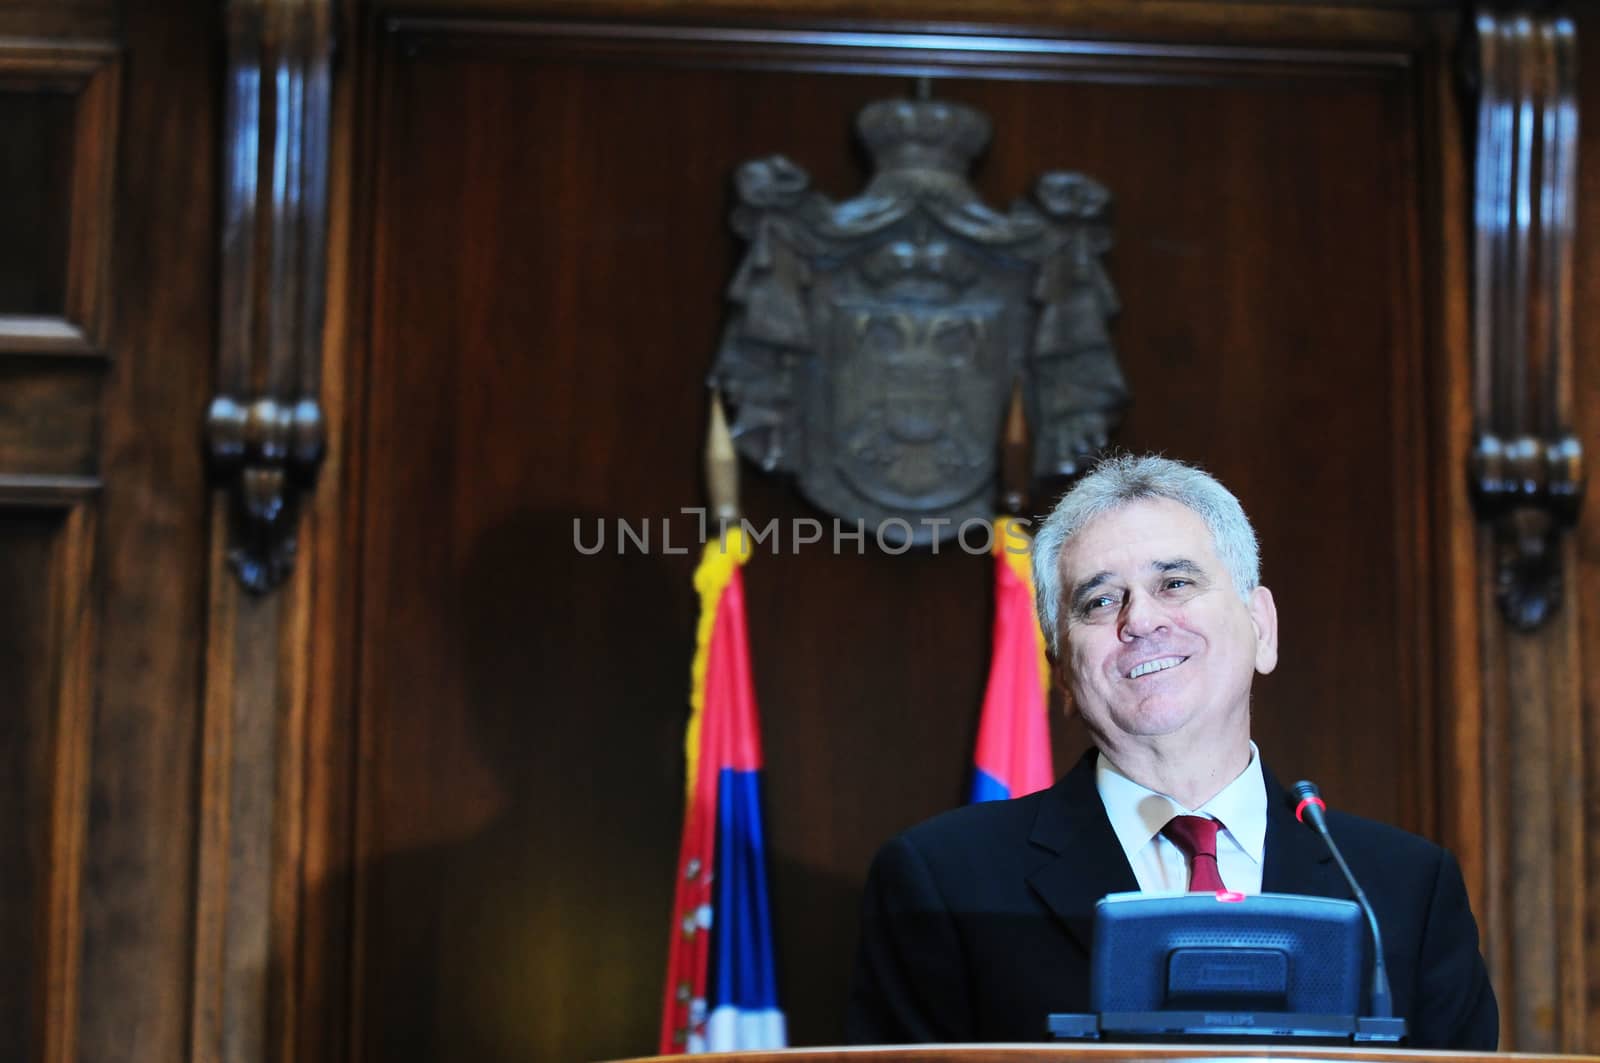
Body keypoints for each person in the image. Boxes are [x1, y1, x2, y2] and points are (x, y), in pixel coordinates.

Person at [845, 454, 1497, 1049]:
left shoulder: (1406, 889)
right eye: (1099, 600)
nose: (1141, 620)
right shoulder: (943, 880)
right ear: (1063, 675)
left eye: (1177, 583)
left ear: (1261, 628)